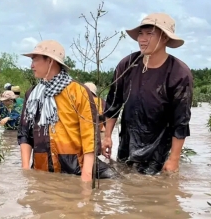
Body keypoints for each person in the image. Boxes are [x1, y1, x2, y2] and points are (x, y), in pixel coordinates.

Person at [102, 13, 193, 175]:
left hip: (159, 149)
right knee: (126, 189)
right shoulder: (127, 65)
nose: (142, 39)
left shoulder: (179, 73)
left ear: (164, 37)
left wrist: (174, 159)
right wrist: (107, 136)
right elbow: (113, 104)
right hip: (127, 144)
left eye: (149, 34)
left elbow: (181, 121)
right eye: (140, 34)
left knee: (155, 194)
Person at [18, 40, 116, 180]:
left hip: (76, 168)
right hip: (42, 168)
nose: (31, 65)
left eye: (35, 59)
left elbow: (90, 137)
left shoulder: (78, 92)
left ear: (51, 61)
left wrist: (86, 175)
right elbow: (24, 133)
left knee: (115, 181)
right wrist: (26, 169)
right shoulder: (32, 95)